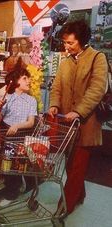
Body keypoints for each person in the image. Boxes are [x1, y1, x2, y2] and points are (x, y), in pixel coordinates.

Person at [48, 20, 108, 215]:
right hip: (66, 123)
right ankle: (79, 194)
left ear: (81, 40)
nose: (66, 47)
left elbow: (97, 88)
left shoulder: (97, 58)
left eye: (70, 43)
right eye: (65, 42)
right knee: (69, 163)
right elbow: (56, 87)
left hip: (87, 123)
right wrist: (54, 105)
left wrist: (79, 111)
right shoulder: (65, 62)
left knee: (77, 165)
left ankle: (65, 206)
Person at [0, 57, 38, 207]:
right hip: (8, 136)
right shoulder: (8, 98)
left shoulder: (32, 100)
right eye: (25, 78)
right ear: (16, 81)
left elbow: (31, 122)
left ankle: (24, 185)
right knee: (8, 166)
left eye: (29, 78)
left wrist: (17, 126)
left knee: (22, 164)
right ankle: (12, 193)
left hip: (23, 136)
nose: (29, 81)